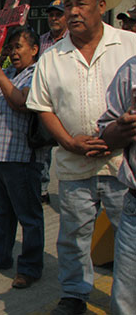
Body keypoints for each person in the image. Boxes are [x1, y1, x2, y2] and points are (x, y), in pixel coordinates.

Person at [26, 0, 136, 315]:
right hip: (74, 163)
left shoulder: (130, 46)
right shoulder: (52, 56)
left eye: (81, 4)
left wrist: (117, 136)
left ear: (101, 6)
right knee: (73, 236)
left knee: (128, 239)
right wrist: (70, 142)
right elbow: (42, 107)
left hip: (122, 164)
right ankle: (75, 294)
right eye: (68, 4)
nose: (72, 11)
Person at [0, 26, 45, 289]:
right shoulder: (5, 73)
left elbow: (21, 102)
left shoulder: (37, 74)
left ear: (35, 49)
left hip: (22, 156)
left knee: (29, 216)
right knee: (2, 212)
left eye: (19, 47)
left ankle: (30, 267)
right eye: (11, 47)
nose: (14, 52)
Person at [97, 56, 136, 315]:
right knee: (125, 299)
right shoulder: (131, 70)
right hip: (134, 207)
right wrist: (121, 128)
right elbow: (106, 132)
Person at [38, 0, 68, 204]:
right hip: (46, 102)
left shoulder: (71, 40)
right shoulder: (41, 41)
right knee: (44, 149)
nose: (54, 18)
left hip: (66, 100)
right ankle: (42, 188)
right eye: (51, 15)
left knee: (68, 146)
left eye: (58, 14)